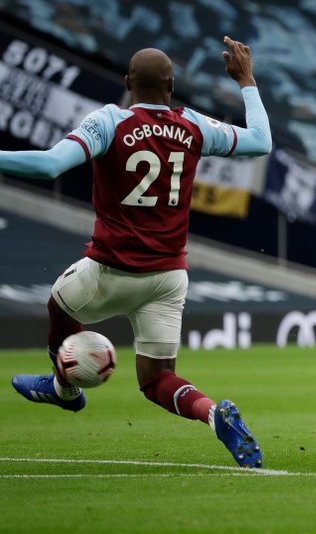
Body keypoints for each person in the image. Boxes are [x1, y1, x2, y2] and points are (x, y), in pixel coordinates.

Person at [5, 37, 272, 467]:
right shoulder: (193, 125)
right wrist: (246, 81)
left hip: (110, 270)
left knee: (59, 304)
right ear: (171, 86)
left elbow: (48, 165)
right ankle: (212, 414)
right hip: (169, 276)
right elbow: (261, 141)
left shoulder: (110, 121)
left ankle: (65, 389)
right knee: (157, 379)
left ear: (128, 82)